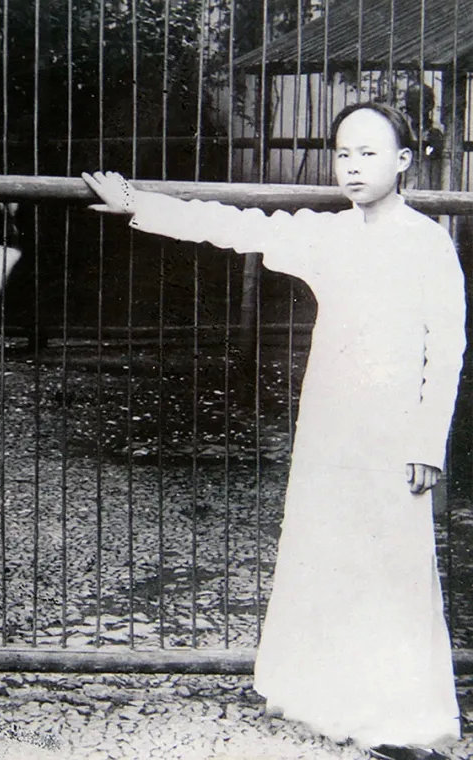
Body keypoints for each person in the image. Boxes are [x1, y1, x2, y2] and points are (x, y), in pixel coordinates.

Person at [83, 102, 465, 760]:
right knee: (329, 551)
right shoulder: (329, 236)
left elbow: (447, 349)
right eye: (344, 152)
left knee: (393, 563)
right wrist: (138, 203)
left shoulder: (429, 243)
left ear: (404, 161)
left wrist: (426, 443)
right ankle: (332, 703)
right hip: (332, 423)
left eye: (370, 153)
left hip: (396, 432)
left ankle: (401, 720)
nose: (352, 165)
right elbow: (236, 225)